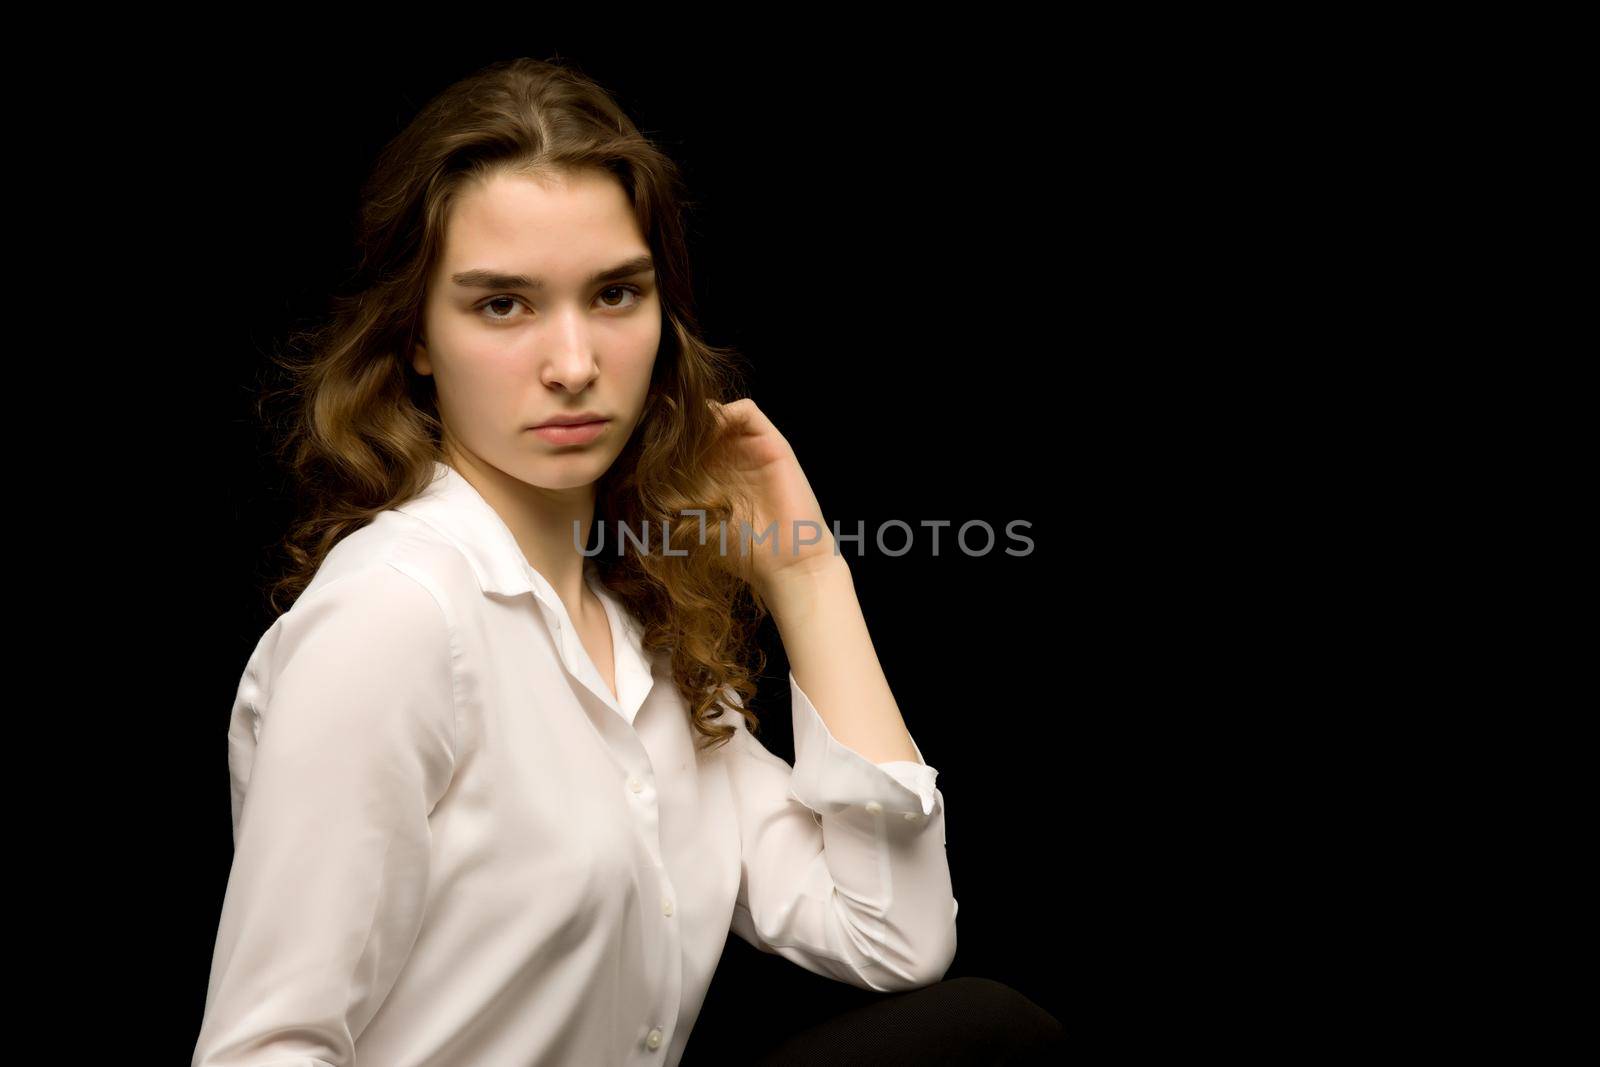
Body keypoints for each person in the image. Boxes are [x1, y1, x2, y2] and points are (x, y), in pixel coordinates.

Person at [192, 56, 1037, 1067]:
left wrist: (805, 573)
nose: (574, 362)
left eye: (614, 294)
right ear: (416, 334)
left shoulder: (637, 629)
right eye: (502, 304)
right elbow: (261, 1047)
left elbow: (893, 936)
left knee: (983, 1026)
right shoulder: (396, 611)